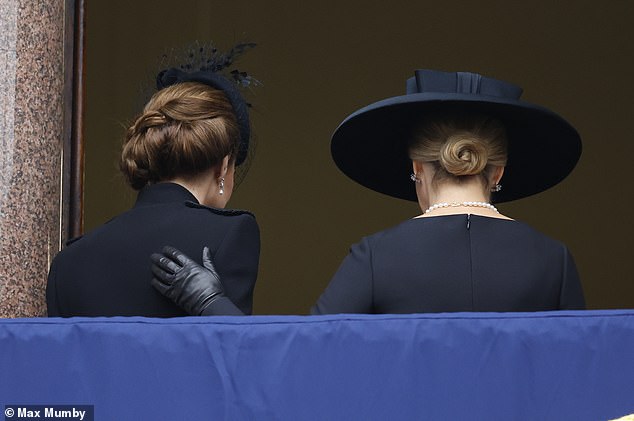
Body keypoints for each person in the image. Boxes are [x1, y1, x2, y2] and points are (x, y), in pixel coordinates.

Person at [151, 69, 586, 315]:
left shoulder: (376, 257)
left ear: (416, 168)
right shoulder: (555, 261)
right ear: (499, 171)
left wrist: (210, 302)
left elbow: (301, 361)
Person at [46, 46, 259, 317]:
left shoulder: (67, 263)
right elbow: (237, 353)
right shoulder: (233, 232)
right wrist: (212, 301)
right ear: (224, 166)